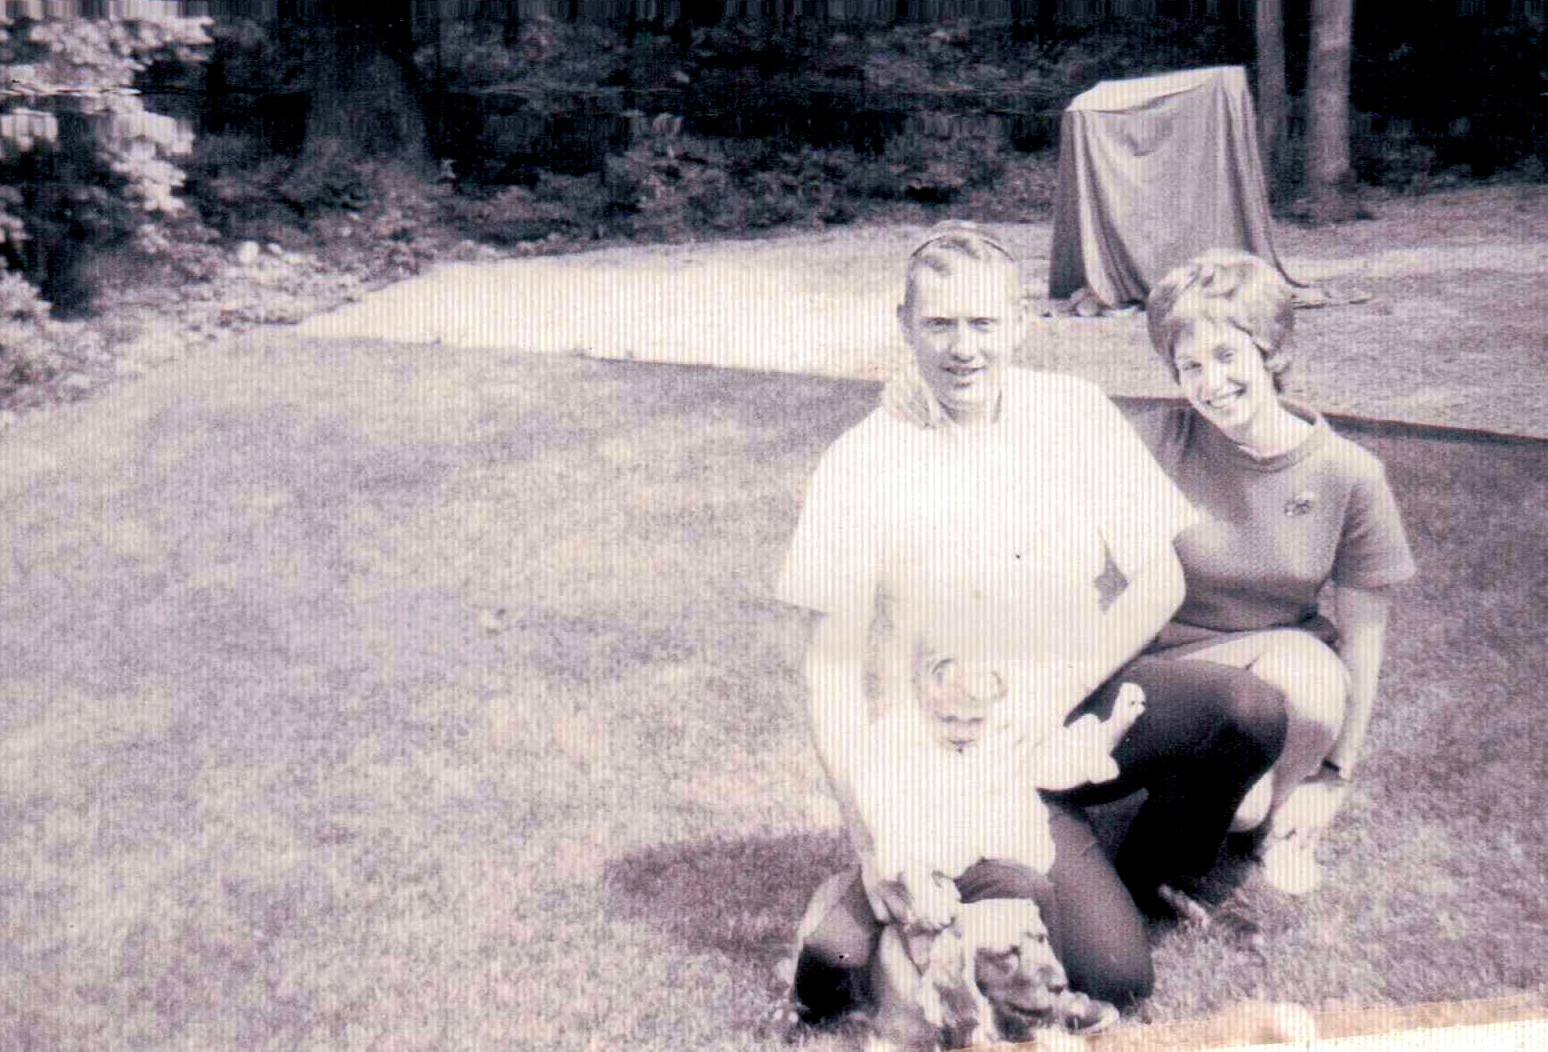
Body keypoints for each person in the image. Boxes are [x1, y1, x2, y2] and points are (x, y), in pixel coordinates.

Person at [774, 222, 1287, 1022]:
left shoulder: (1073, 411)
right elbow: (831, 667)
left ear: (1019, 323)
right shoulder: (862, 460)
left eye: (983, 323)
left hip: (1076, 696)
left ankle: (1146, 871)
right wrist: (871, 841)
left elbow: (1160, 578)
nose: (963, 348)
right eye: (939, 324)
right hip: (965, 744)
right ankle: (918, 882)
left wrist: (1054, 694)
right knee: (1115, 980)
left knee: (1248, 711)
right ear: (904, 325)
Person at [1137, 249, 1417, 894]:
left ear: (1272, 351)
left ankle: (1276, 818)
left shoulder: (1349, 473)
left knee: (1309, 680)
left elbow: (1364, 637)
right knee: (1236, 796)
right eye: (1190, 366)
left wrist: (1334, 775)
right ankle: (1224, 799)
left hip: (1282, 668)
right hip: (1165, 667)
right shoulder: (1153, 442)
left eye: (1227, 356)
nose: (1211, 383)